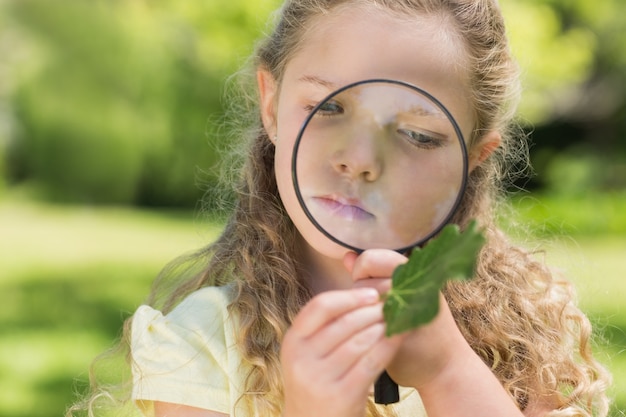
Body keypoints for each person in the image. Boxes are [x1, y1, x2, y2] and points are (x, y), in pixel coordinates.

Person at [69, 1, 611, 416]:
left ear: (473, 159)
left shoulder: (512, 328)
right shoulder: (205, 345)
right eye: (328, 106)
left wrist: (448, 372)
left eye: (419, 135)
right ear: (271, 106)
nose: (359, 160)